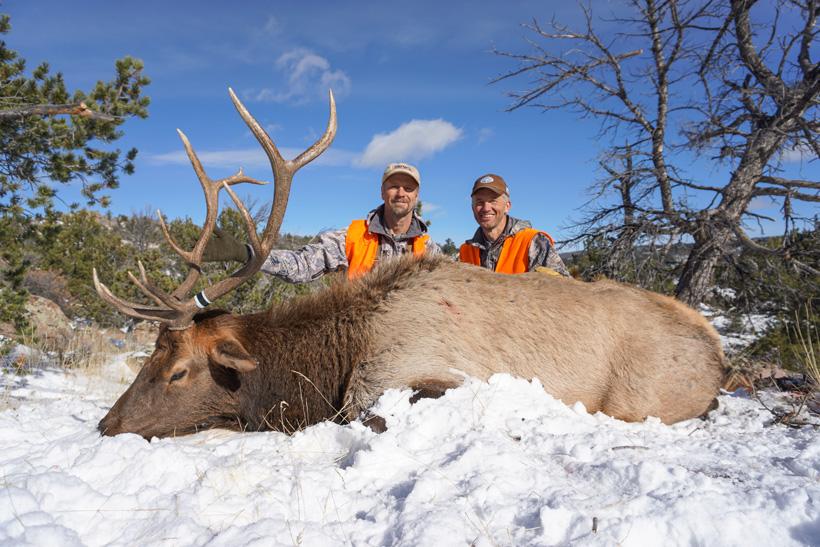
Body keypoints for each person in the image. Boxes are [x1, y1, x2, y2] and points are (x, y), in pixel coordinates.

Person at [204, 162, 440, 282]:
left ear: (416, 196)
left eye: (408, 188)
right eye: (393, 186)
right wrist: (246, 253)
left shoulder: (430, 251)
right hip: (360, 336)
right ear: (382, 192)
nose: (401, 193)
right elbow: (302, 264)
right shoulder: (352, 237)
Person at [459, 173, 569, 276]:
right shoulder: (466, 251)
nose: (486, 208)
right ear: (472, 207)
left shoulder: (533, 242)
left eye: (493, 201)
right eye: (479, 202)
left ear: (507, 206)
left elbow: (563, 290)